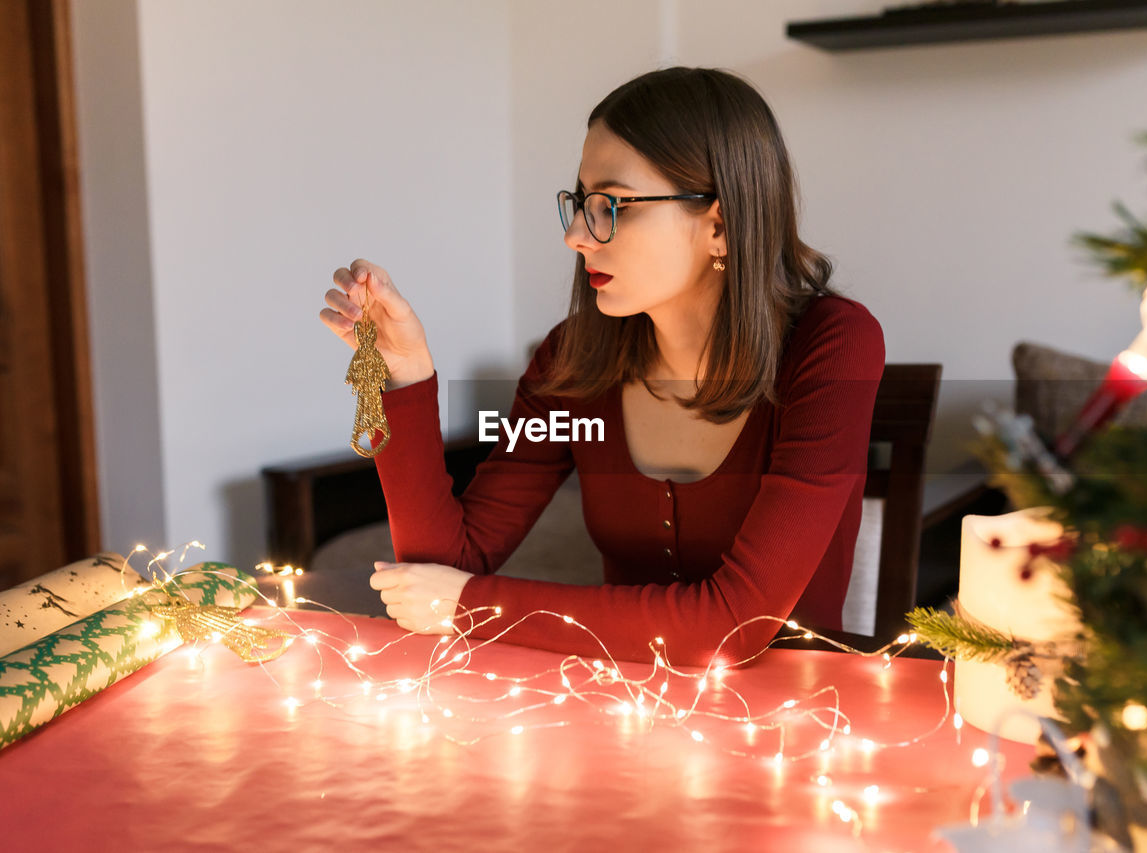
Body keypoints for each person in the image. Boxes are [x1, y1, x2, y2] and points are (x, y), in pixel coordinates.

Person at [319, 67, 885, 666]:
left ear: (718, 225)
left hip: (798, 724)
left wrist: (472, 606)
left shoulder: (834, 346)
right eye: (581, 204)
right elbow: (445, 565)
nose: (575, 237)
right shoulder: (572, 360)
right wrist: (403, 373)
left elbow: (733, 625)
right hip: (612, 710)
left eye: (610, 205)